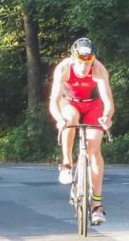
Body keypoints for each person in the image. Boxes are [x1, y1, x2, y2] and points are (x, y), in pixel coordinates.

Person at [48, 37, 114, 225]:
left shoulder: (99, 69)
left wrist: (106, 116)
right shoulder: (63, 68)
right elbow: (54, 101)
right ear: (73, 57)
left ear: (93, 58)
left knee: (94, 147)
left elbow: (108, 101)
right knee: (70, 119)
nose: (84, 66)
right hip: (69, 103)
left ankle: (97, 205)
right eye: (80, 61)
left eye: (88, 61)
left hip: (93, 105)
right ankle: (67, 163)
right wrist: (59, 119)